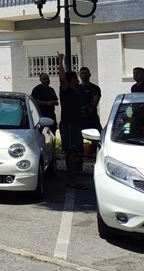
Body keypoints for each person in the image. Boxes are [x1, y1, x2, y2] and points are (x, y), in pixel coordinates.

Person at [57, 53, 86, 189]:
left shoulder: (76, 92)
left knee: (74, 152)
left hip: (75, 124)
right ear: (70, 80)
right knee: (71, 152)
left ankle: (72, 179)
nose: (78, 80)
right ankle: (71, 180)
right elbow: (62, 78)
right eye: (75, 78)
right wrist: (60, 61)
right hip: (68, 124)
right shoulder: (65, 90)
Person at [78, 67, 103, 133]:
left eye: (86, 73)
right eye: (82, 73)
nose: (84, 75)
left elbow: (94, 104)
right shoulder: (77, 88)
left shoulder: (95, 88)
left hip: (92, 118)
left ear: (89, 74)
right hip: (79, 119)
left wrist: (86, 108)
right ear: (79, 75)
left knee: (97, 139)